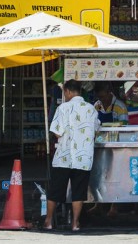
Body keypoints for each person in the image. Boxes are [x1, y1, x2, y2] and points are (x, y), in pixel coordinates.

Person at [44, 80, 100, 233]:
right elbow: (96, 131)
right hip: (83, 158)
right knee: (79, 192)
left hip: (64, 156)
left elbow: (56, 132)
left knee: (55, 190)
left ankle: (48, 221)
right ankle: (75, 224)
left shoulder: (63, 108)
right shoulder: (91, 109)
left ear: (67, 91)